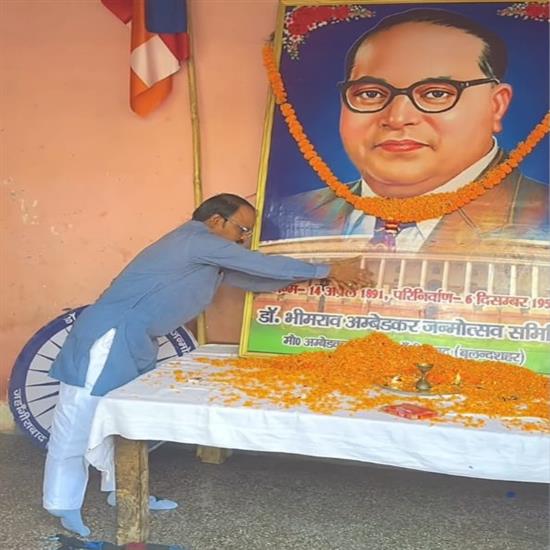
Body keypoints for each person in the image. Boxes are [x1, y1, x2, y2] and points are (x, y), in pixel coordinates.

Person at [43, 193, 372, 537]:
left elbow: (256, 278)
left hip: (136, 341)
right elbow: (258, 263)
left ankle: (122, 492)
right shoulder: (195, 240)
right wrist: (328, 269)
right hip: (108, 337)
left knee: (122, 420)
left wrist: (322, 277)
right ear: (216, 221)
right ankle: (61, 503)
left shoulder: (210, 259)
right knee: (77, 421)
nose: (243, 239)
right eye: (242, 230)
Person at [263, 8, 548, 252]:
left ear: (496, 106)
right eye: (371, 94)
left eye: (436, 93)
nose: (397, 118)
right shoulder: (291, 214)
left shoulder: (540, 215)